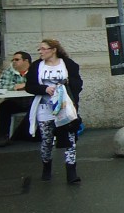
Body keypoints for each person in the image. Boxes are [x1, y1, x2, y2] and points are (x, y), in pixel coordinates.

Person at [23, 38, 83, 184]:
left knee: (70, 139)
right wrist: (44, 89)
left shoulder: (67, 64)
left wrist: (68, 84)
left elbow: (79, 83)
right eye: (40, 49)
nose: (40, 52)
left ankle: (71, 172)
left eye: (44, 49)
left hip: (64, 109)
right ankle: (46, 165)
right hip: (45, 109)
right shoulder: (37, 66)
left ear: (53, 50)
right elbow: (29, 86)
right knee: (47, 140)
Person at [0, 51, 34, 145]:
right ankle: (3, 136)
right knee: (3, 107)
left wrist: (25, 85)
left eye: (17, 59)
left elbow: (39, 83)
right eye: (13, 60)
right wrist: (17, 86)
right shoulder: (9, 71)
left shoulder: (35, 70)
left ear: (26, 61)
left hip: (32, 101)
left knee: (42, 106)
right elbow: (3, 86)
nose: (14, 62)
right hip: (16, 102)